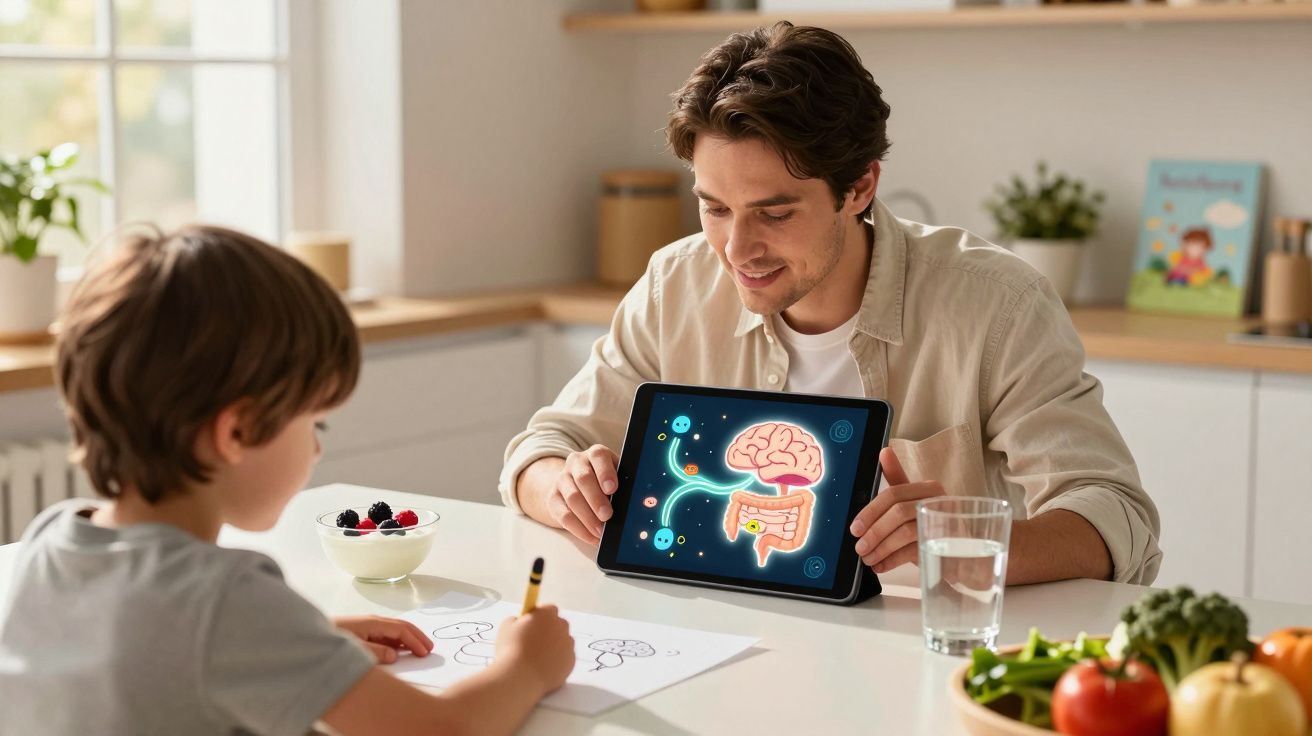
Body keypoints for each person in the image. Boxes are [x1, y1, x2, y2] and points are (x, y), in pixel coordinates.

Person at [500, 22, 1161, 586]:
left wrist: (966, 544)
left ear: (860, 186)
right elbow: (540, 450)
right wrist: (565, 489)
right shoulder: (675, 284)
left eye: (775, 212)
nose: (737, 249)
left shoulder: (996, 304)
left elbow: (1116, 515)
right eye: (714, 208)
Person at [0, 225, 575, 735]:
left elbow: (142, 648)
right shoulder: (229, 602)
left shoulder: (55, 538)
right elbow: (443, 728)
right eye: (314, 420)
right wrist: (524, 667)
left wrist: (302, 638)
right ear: (237, 432)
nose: (319, 446)